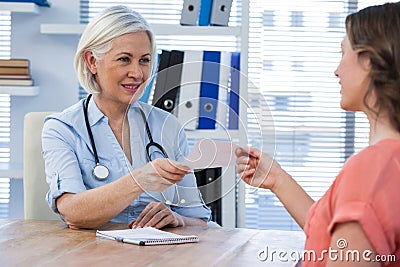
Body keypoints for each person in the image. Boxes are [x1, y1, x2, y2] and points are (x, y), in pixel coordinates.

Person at [236, 2, 400, 266]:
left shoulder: (372, 168)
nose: (336, 70)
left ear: (368, 61)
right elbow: (333, 238)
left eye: (343, 52)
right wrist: (277, 180)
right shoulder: (390, 162)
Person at [42, 5, 211, 230]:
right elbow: (72, 213)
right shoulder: (63, 129)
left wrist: (176, 219)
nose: (137, 73)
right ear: (92, 61)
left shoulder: (167, 126)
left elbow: (198, 220)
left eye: (144, 60)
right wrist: (139, 180)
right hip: (91, 256)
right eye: (124, 59)